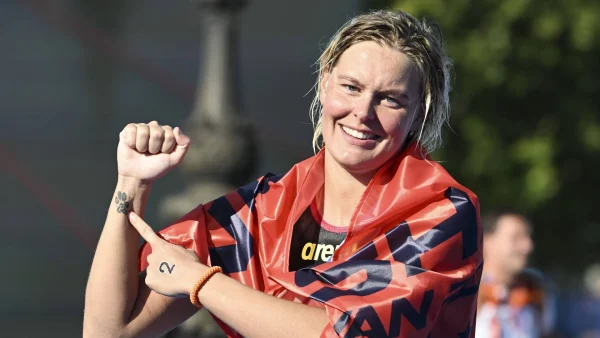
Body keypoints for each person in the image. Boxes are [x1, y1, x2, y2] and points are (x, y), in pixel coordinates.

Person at [83, 9, 483, 338]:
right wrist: (131, 184)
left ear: (418, 114)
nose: (363, 112)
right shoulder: (261, 210)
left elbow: (347, 334)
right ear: (325, 83)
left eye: (390, 99)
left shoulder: (440, 212)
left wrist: (203, 283)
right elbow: (109, 331)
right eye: (350, 87)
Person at [476, 209, 554, 338]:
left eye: (528, 237)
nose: (528, 246)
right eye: (516, 238)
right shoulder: (464, 294)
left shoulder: (535, 293)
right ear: (487, 241)